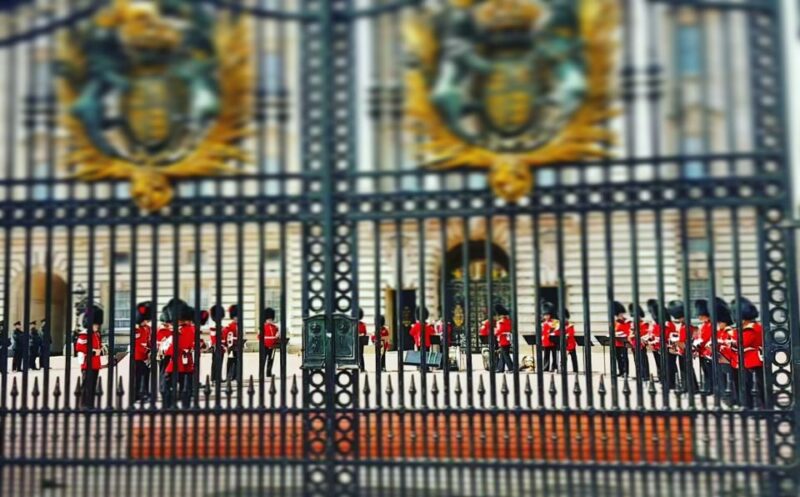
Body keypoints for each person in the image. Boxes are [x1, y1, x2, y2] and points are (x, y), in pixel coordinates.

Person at [163, 301, 199, 408]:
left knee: (169, 384)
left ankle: (170, 405)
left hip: (179, 361)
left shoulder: (184, 330)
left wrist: (166, 351)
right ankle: (184, 405)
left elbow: (178, 345)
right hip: (184, 361)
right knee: (184, 385)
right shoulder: (187, 329)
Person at [731, 297, 765, 409]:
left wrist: (734, 333)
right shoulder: (754, 327)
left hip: (751, 360)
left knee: (753, 386)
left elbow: (741, 343)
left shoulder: (750, 329)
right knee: (752, 386)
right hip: (749, 360)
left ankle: (756, 407)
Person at [75, 305, 103, 409]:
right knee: (86, 385)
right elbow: (79, 347)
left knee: (92, 386)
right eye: (95, 324)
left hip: (95, 363)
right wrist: (93, 352)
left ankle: (90, 404)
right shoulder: (84, 334)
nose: (97, 326)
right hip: (87, 363)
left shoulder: (96, 334)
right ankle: (84, 405)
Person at [667, 300, 698, 393]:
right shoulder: (686, 326)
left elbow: (683, 341)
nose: (679, 320)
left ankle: (689, 387)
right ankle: (690, 387)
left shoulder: (685, 327)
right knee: (686, 369)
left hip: (684, 350)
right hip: (684, 350)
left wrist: (676, 341)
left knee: (686, 370)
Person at [133, 301, 152, 402]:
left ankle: (144, 392)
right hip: (138, 356)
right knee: (137, 377)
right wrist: (147, 351)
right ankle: (135, 395)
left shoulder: (147, 328)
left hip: (146, 356)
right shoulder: (136, 329)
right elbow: (137, 344)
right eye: (145, 320)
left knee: (146, 375)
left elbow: (148, 340)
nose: (146, 322)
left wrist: (150, 350)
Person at [695, 299, 714, 395]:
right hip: (701, 351)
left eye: (701, 316)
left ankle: (711, 388)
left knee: (710, 372)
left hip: (708, 351)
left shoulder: (710, 325)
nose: (699, 317)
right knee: (705, 371)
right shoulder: (703, 325)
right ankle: (707, 387)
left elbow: (706, 338)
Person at [644, 300, 664, 382]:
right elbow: (652, 333)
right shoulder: (654, 323)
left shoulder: (660, 323)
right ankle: (660, 377)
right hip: (654, 346)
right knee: (658, 362)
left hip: (659, 345)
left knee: (661, 362)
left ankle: (663, 378)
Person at [627, 304, 649, 380]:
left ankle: (645, 375)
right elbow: (630, 333)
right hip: (634, 344)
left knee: (643, 360)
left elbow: (645, 334)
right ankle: (639, 374)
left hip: (641, 344)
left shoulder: (644, 324)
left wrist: (635, 333)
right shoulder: (632, 324)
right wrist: (631, 335)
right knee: (636, 361)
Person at [208, 304, 226, 384]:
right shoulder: (213, 327)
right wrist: (215, 345)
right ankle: (213, 378)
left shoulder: (221, 327)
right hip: (216, 347)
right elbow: (213, 338)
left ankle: (218, 377)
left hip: (221, 347)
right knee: (215, 363)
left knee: (220, 362)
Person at [260, 307, 280, 378]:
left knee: (270, 359)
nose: (270, 320)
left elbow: (277, 335)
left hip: (272, 345)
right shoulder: (263, 327)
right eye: (268, 319)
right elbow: (259, 336)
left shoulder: (275, 327)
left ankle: (268, 372)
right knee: (263, 360)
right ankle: (261, 373)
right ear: (266, 319)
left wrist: (278, 333)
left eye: (271, 319)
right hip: (265, 345)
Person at [612, 301, 630, 378]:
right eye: (619, 315)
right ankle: (621, 371)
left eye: (621, 314)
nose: (620, 316)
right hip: (616, 342)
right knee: (618, 358)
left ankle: (626, 372)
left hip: (623, 342)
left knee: (624, 358)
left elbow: (628, 331)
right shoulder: (615, 322)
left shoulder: (626, 322)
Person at [494, 304, 514, 373]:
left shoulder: (500, 322)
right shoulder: (509, 321)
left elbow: (498, 331)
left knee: (505, 354)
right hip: (507, 339)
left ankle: (511, 367)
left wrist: (495, 331)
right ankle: (500, 368)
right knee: (503, 354)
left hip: (503, 339)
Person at [224, 304, 241, 382]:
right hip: (231, 346)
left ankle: (236, 375)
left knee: (238, 361)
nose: (237, 318)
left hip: (238, 345)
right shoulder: (229, 326)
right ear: (233, 317)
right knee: (231, 361)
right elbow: (227, 336)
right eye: (235, 317)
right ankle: (229, 375)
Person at [540, 301, 559, 372]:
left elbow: (556, 331)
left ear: (550, 315)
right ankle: (546, 367)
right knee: (546, 355)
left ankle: (554, 366)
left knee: (554, 355)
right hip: (546, 341)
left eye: (547, 315)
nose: (546, 316)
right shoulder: (542, 323)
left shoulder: (554, 322)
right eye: (545, 315)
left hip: (553, 340)